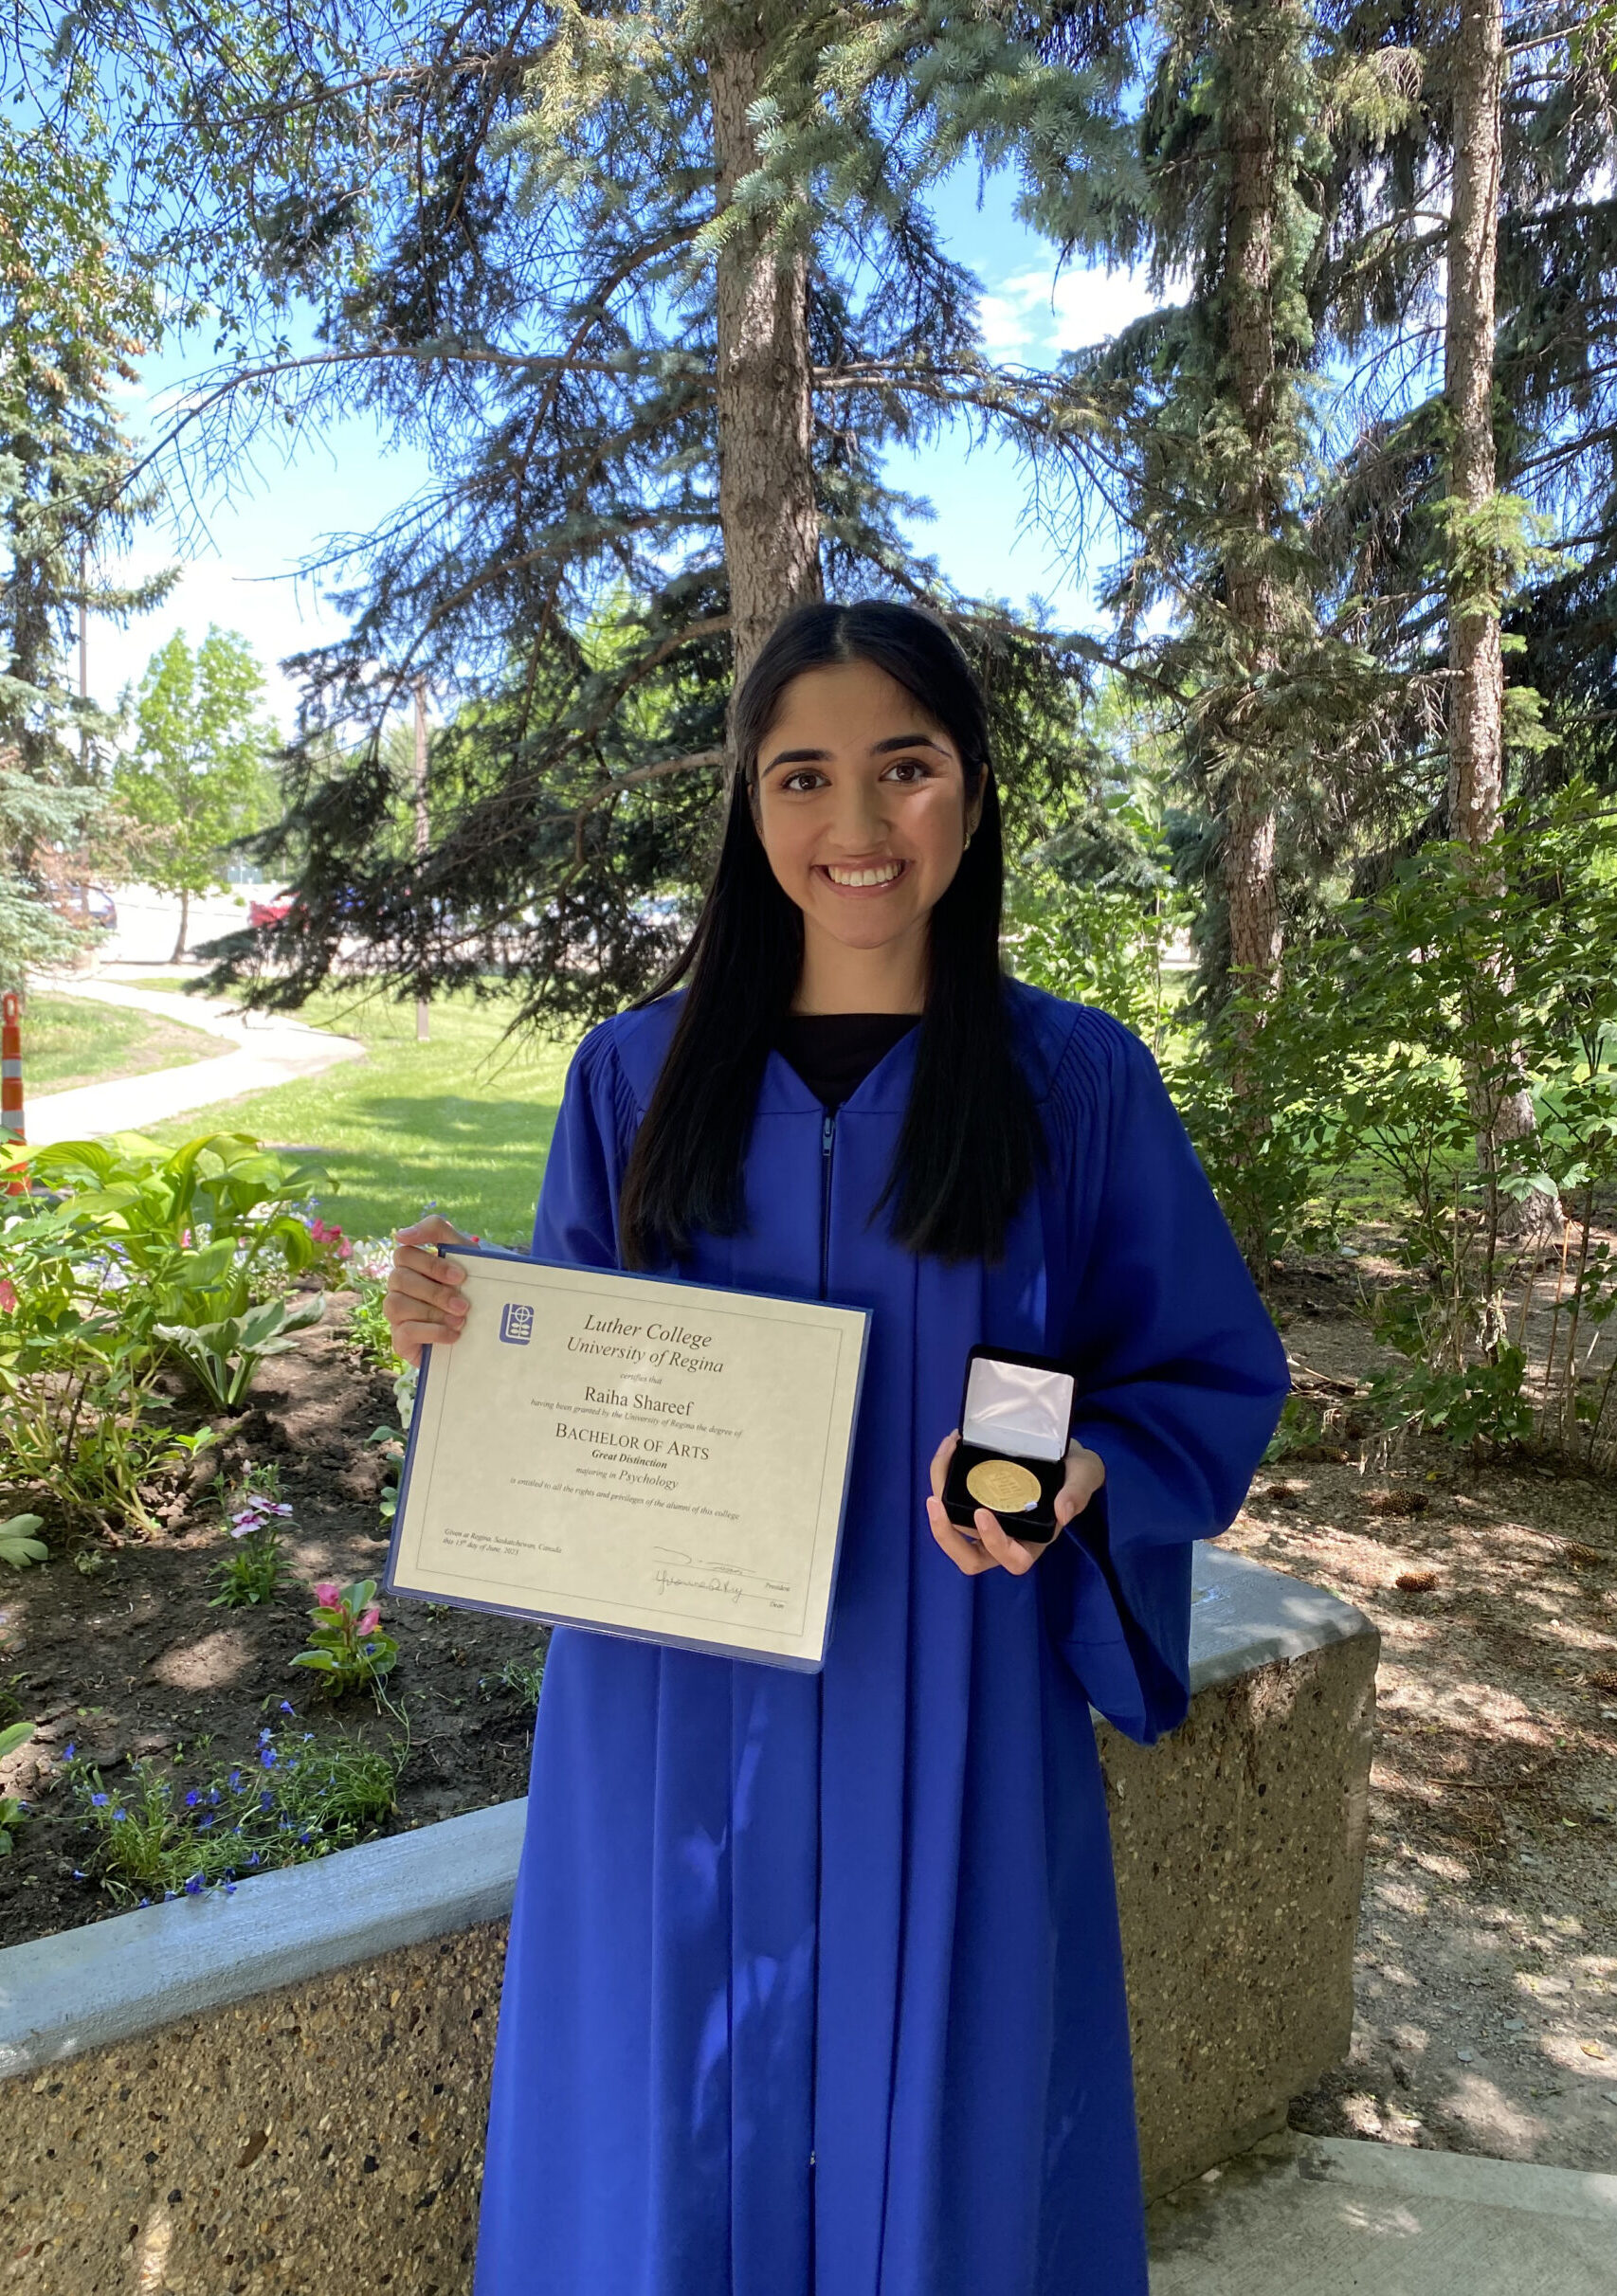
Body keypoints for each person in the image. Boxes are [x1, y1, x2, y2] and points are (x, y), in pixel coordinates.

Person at [386, 601, 1289, 2296]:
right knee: (668, 2116)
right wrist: (459, 1332)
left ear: (971, 792)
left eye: (906, 770)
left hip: (948, 1674)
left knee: (949, 2125)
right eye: (803, 777)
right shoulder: (634, 1077)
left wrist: (1081, 1471)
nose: (856, 829)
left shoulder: (1071, 1081)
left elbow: (1188, 1370)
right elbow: (576, 1390)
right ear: (750, 803)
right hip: (672, 1694)